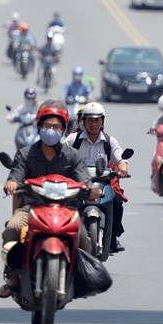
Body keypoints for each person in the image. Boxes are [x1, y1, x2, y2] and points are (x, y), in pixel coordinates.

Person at [0, 100, 100, 298]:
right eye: (47, 126)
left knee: (85, 239)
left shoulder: (72, 155)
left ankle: (81, 277)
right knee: (13, 228)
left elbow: (84, 178)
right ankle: (13, 277)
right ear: (39, 127)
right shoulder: (25, 154)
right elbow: (16, 173)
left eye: (56, 126)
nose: (51, 130)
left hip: (66, 210)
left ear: (63, 130)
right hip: (31, 209)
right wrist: (12, 183)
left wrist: (91, 189)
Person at [64, 102, 129, 253]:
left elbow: (121, 159)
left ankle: (112, 239)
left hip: (102, 185)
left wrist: (123, 168)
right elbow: (60, 157)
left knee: (117, 203)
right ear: (83, 121)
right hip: (79, 185)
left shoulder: (109, 141)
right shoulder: (73, 140)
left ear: (102, 121)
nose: (94, 124)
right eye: (90, 120)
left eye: (97, 120)